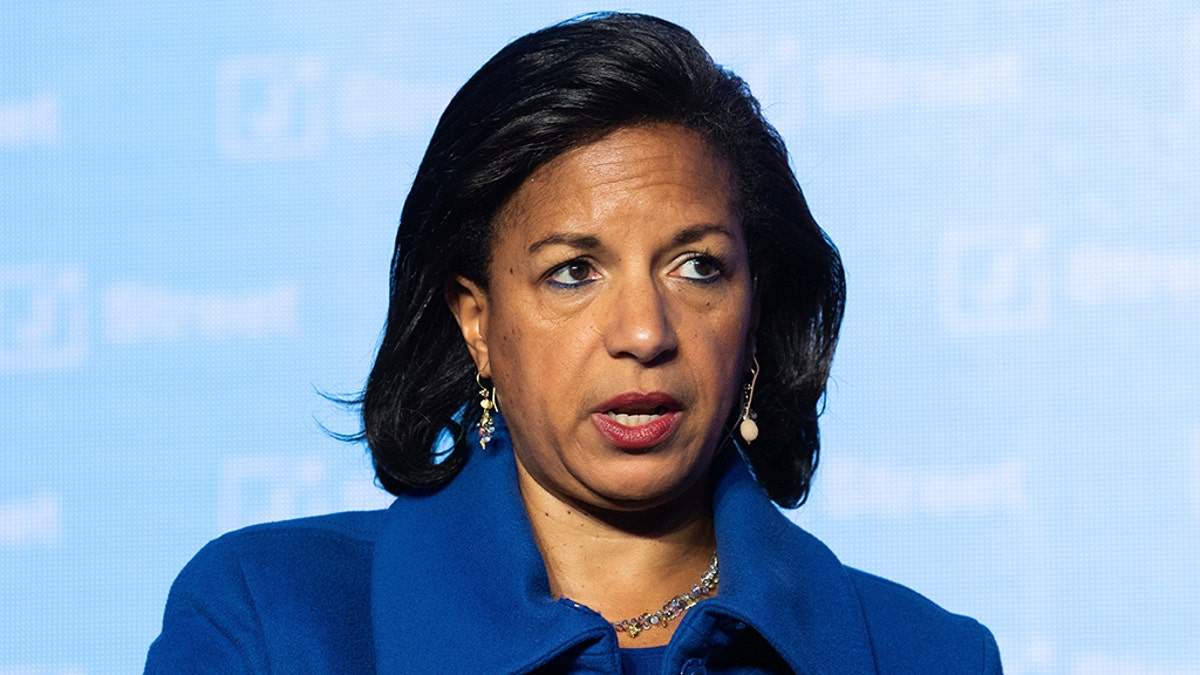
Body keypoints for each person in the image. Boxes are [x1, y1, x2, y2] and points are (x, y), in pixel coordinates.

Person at [146, 12, 1002, 674]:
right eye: (572, 271)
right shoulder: (271, 618)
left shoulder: (925, 652)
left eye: (698, 267)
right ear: (476, 320)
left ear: (754, 307)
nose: (643, 333)